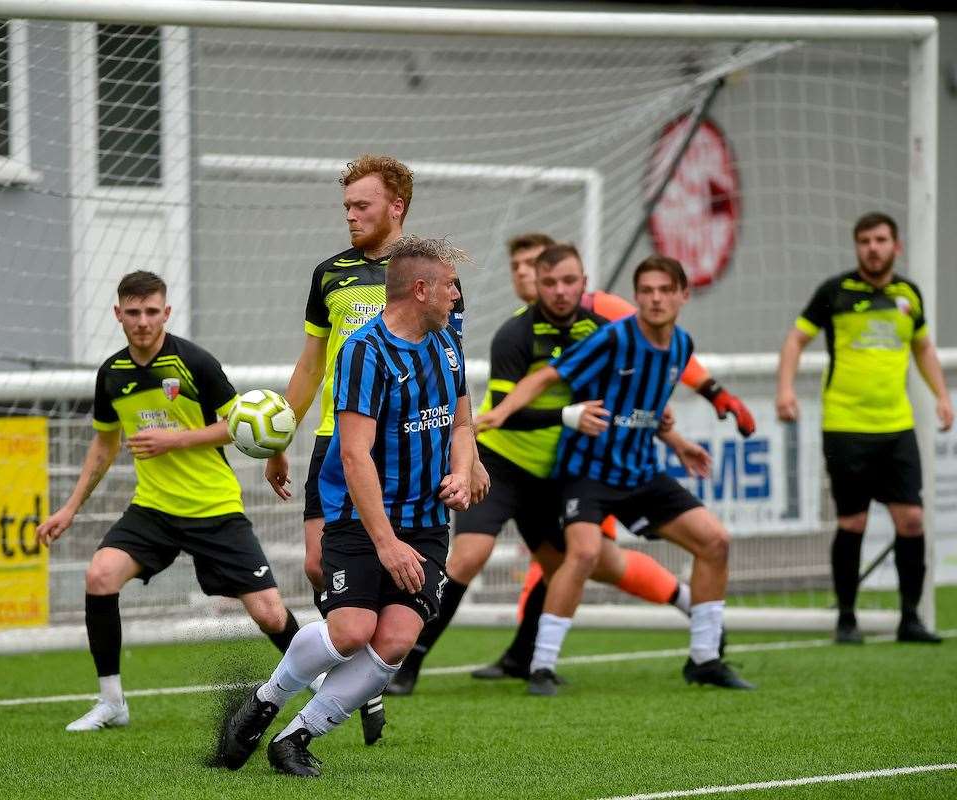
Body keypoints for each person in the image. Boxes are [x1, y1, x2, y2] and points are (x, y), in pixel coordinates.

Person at [386, 242, 710, 695]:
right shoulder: (515, 335)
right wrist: (566, 416)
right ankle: (409, 666)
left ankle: (527, 658)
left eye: (569, 281)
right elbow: (506, 412)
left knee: (571, 564)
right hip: (500, 464)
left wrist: (671, 436)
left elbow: (626, 402)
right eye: (550, 282)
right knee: (470, 556)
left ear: (584, 284)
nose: (560, 291)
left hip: (556, 474)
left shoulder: (602, 332)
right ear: (535, 285)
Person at [219, 237, 473, 777]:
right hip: (363, 516)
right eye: (449, 284)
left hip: (427, 520)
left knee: (397, 638)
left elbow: (463, 422)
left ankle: (295, 737)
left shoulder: (449, 337)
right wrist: (387, 544)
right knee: (352, 630)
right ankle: (266, 700)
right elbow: (355, 456)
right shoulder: (365, 350)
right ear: (420, 289)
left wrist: (465, 468)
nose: (458, 294)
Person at [260, 154, 485, 744]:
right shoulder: (329, 273)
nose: (351, 217)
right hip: (343, 442)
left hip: (410, 447)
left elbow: (455, 379)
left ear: (396, 207)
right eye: (347, 207)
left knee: (383, 608)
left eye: (362, 205)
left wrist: (472, 455)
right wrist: (282, 432)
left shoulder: (434, 280)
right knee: (317, 566)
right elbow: (312, 362)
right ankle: (346, 671)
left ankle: (357, 686)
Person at [469, 236, 757, 683]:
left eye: (665, 290)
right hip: (586, 472)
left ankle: (704, 660)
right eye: (647, 291)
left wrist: (679, 440)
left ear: (684, 295)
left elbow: (647, 406)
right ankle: (541, 666)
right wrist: (500, 413)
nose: (655, 299)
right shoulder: (610, 337)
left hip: (640, 472)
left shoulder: (680, 346)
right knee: (582, 555)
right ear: (634, 296)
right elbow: (548, 375)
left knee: (715, 540)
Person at [37, 271, 300, 732]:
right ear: (119, 314)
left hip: (213, 506)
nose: (142, 321)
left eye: (152, 312)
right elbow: (103, 446)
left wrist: (176, 441)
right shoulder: (112, 374)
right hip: (153, 509)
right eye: (133, 312)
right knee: (99, 575)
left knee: (269, 613)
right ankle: (112, 702)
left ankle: (317, 676)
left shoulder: (194, 362)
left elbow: (237, 424)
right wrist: (69, 508)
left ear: (167, 312)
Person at [776, 211, 951, 645]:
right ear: (857, 247)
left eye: (880, 240)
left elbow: (923, 346)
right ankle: (847, 619)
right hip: (845, 425)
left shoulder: (908, 295)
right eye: (864, 241)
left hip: (896, 425)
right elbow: (796, 338)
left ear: (896, 246)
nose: (872, 248)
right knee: (852, 521)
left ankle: (910, 618)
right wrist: (785, 390)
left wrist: (942, 396)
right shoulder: (835, 292)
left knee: (911, 519)